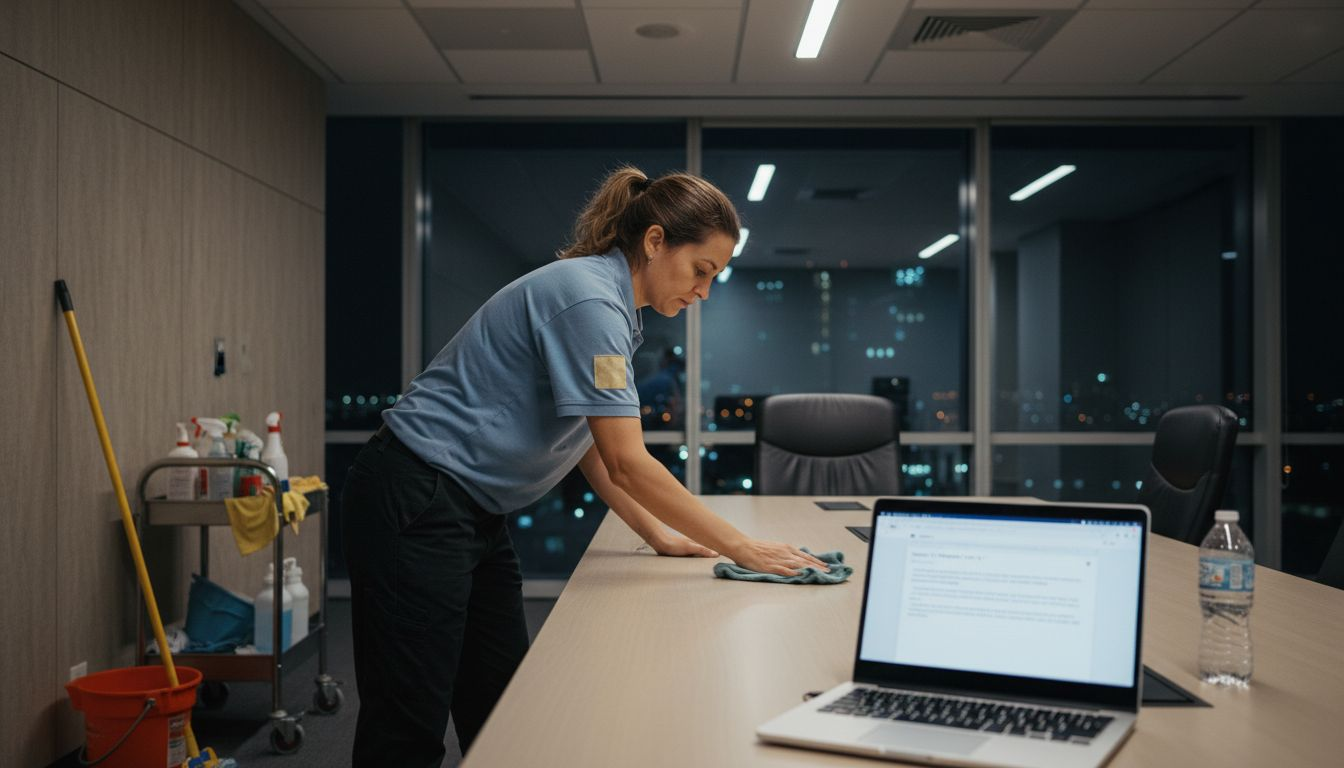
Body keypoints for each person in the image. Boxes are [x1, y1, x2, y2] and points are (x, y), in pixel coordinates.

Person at [341, 166, 829, 767]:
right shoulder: (592, 301)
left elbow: (592, 447)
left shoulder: (614, 307)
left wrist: (660, 535)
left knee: (502, 708)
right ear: (654, 241)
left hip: (471, 509)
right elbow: (627, 461)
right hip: (416, 495)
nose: (704, 292)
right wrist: (740, 547)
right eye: (701, 271)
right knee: (407, 727)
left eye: (714, 278)